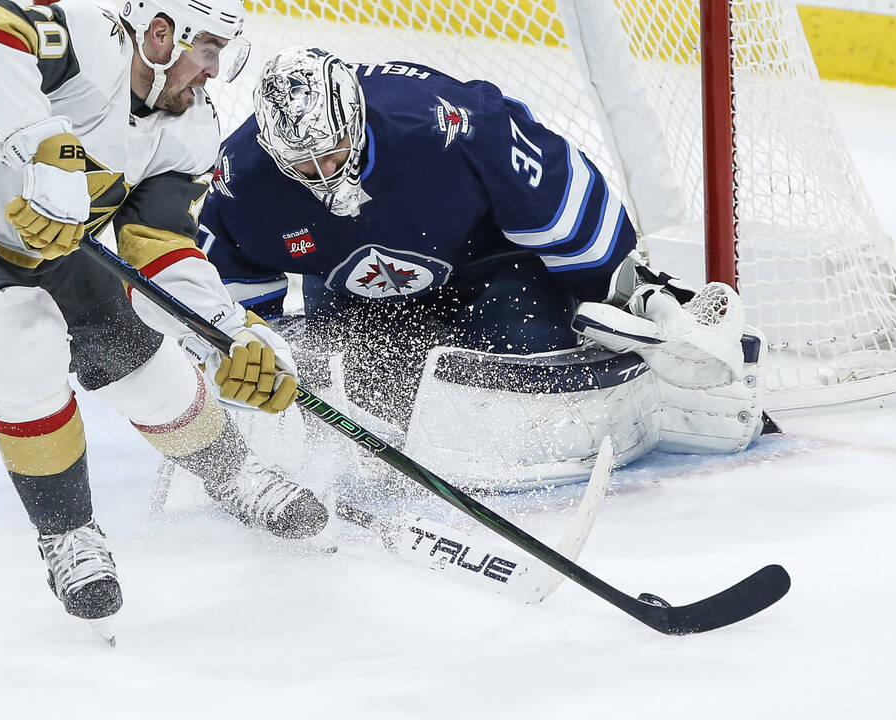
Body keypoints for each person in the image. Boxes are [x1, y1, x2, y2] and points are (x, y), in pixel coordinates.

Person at [0, 0, 327, 628]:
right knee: (23, 330)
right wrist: (42, 145)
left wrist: (226, 333)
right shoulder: (90, 37)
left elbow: (162, 248)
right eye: (206, 48)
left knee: (141, 355)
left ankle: (233, 473)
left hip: (41, 241)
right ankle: (67, 533)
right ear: (160, 34)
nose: (214, 69)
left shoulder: (190, 126)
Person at [197, 47, 767, 487]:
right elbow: (234, 298)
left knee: (541, 362)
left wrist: (632, 291)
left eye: (334, 151)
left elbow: (561, 203)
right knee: (354, 400)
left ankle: (656, 393)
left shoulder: (452, 125)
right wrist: (245, 348)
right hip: (356, 297)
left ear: (359, 118)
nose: (323, 174)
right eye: (302, 162)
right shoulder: (243, 182)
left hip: (490, 267)